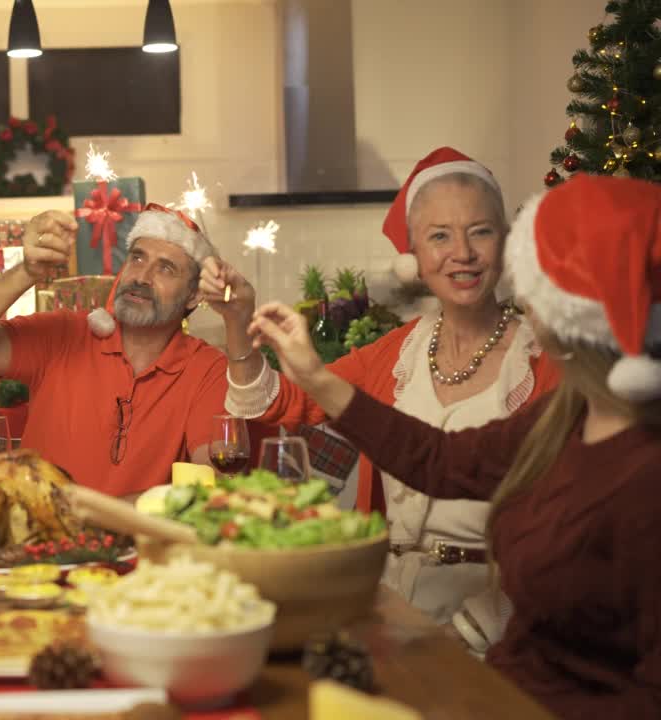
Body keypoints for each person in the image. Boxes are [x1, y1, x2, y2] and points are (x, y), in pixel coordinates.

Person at [247, 174, 661, 717]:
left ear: (569, 317)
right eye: (440, 236)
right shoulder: (566, 415)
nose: (526, 308)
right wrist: (316, 376)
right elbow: (441, 462)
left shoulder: (643, 476)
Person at [200, 147, 560, 653]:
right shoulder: (394, 353)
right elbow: (283, 406)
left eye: (480, 231)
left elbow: (557, 543)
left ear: (504, 243)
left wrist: (468, 635)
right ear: (414, 255)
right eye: (439, 236)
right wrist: (238, 323)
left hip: (493, 630)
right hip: (386, 612)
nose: (462, 252)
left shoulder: (547, 366)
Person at [0, 205, 229, 496]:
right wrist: (27, 272)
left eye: (165, 268)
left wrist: (91, 514)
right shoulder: (64, 334)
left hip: (140, 543)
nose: (141, 277)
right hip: (40, 540)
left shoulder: (207, 368)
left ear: (193, 296)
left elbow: (213, 480)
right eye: (137, 258)